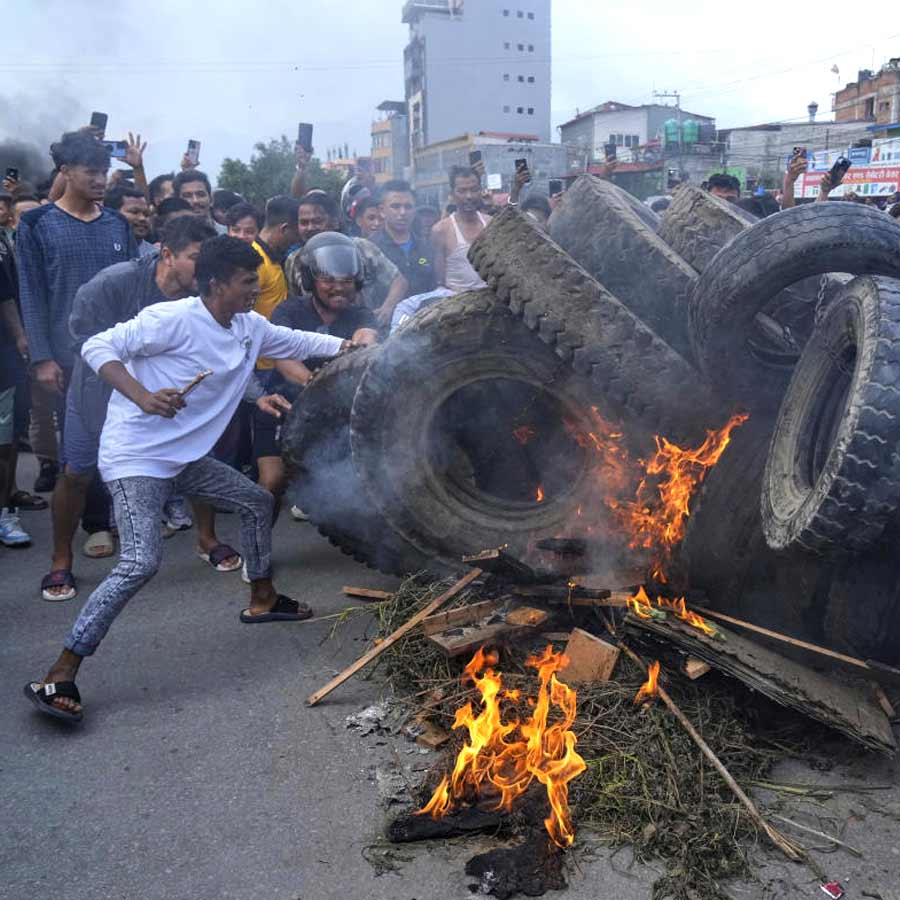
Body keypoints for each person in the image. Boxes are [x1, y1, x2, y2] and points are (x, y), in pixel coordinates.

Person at [24, 235, 354, 724]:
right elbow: (98, 346)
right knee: (140, 563)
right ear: (217, 283)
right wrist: (141, 395)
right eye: (247, 283)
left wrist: (350, 344)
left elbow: (302, 343)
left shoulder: (248, 325)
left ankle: (262, 599)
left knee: (257, 501)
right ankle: (61, 670)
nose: (254, 291)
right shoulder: (172, 319)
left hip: (186, 459)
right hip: (138, 459)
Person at [39, 215, 219, 601]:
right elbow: (87, 344)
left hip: (169, 394)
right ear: (166, 254)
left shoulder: (204, 293)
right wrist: (137, 392)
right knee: (76, 472)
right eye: (195, 258)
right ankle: (60, 559)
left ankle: (207, 539)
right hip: (98, 392)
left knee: (197, 457)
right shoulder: (112, 283)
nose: (205, 269)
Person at [16, 133, 136, 537]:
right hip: (69, 356)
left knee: (121, 434)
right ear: (65, 172)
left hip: (118, 352)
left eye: (104, 172)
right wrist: (42, 358)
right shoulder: (36, 225)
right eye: (91, 172)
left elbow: (133, 291)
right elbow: (31, 294)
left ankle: (122, 518)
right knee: (80, 448)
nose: (101, 180)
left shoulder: (118, 223)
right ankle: (95, 524)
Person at [254, 232, 378, 519]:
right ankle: (257, 549)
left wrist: (363, 347)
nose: (339, 288)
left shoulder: (360, 313)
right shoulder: (288, 311)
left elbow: (366, 337)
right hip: (284, 406)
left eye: (346, 281)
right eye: (329, 280)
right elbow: (285, 361)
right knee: (271, 483)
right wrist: (317, 383)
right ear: (310, 281)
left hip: (337, 412)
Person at [284, 192, 408, 316]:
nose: (310, 227)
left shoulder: (362, 248)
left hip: (364, 327)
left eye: (317, 221)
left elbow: (398, 281)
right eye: (304, 223)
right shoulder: (295, 260)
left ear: (335, 222)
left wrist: (387, 308)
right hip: (319, 332)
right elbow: (296, 302)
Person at [0, 227, 32, 546]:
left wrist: (21, 337)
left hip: (3, 354)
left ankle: (4, 512)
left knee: (4, 444)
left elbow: (6, 295)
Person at [372, 179, 437, 325]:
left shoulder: (426, 247)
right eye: (395, 206)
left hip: (423, 326)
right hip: (384, 327)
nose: (402, 212)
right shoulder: (371, 248)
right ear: (382, 211)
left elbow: (433, 287)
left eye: (408, 207)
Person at [431, 166, 489, 292]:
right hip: (455, 301)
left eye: (474, 190)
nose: (469, 196)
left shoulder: (491, 224)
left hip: (491, 300)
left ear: (480, 191)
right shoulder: (441, 230)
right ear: (452, 194)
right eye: (462, 191)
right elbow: (440, 280)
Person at [104, 185, 155, 256]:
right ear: (112, 213)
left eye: (146, 214)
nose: (142, 218)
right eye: (134, 212)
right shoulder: (99, 250)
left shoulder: (156, 256)